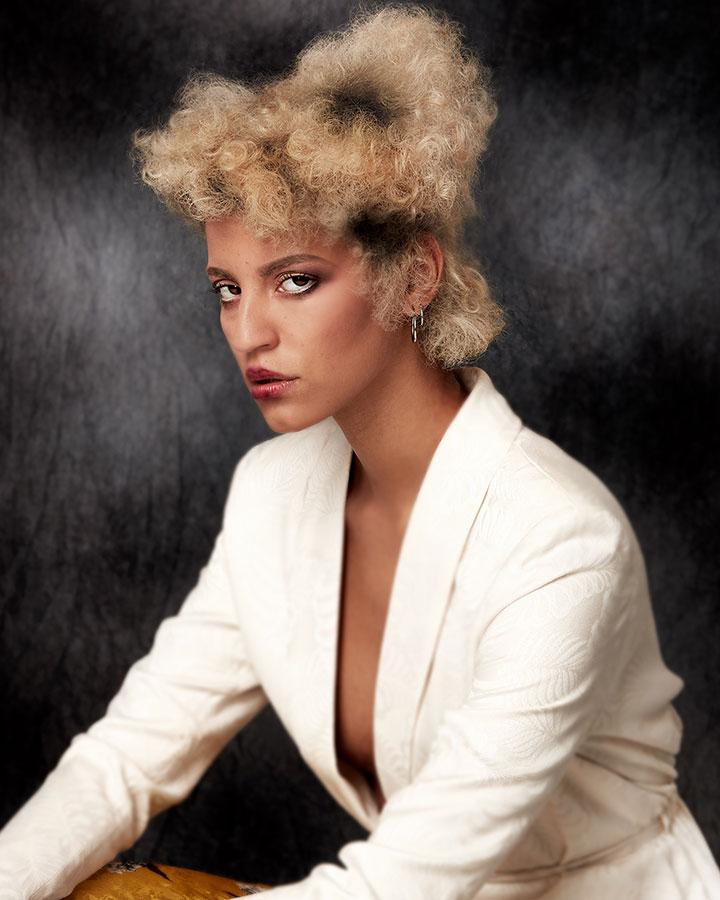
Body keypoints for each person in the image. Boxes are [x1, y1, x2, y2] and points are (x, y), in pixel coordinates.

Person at [1, 6, 718, 899]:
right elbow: (124, 761)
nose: (249, 332)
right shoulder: (270, 495)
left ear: (415, 275)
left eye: (296, 280)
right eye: (227, 289)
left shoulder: (560, 540)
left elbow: (399, 883)